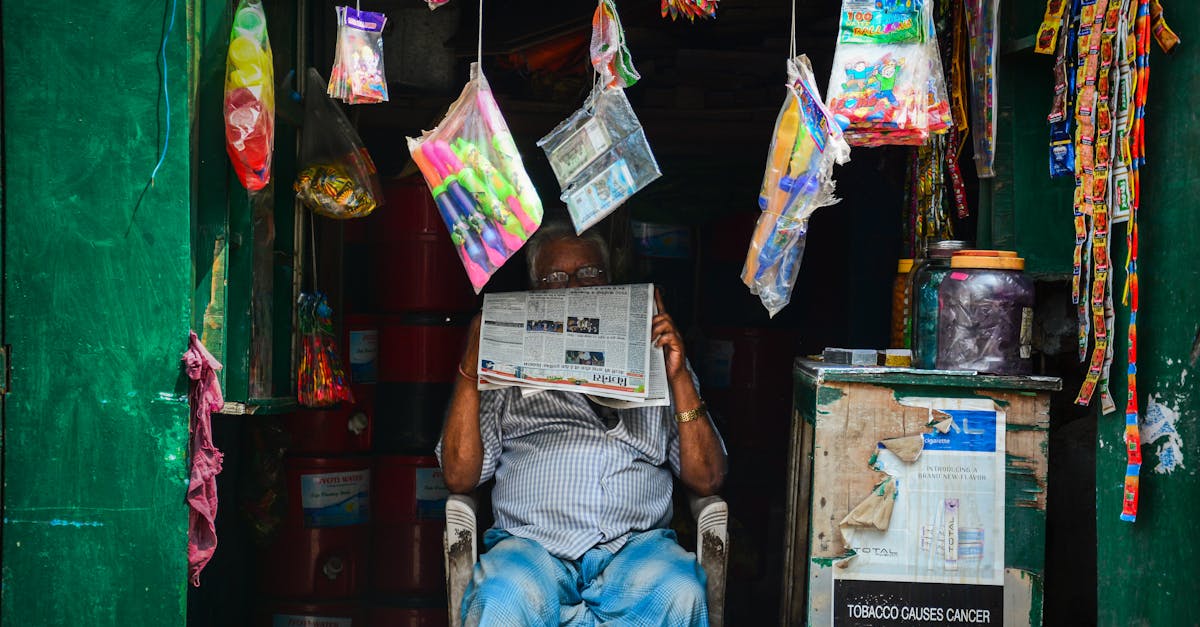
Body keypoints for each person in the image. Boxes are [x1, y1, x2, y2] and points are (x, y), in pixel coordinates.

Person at [437, 220, 727, 626]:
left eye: (589, 273)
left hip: (635, 550)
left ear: (610, 282)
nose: (574, 287)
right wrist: (471, 370)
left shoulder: (659, 355)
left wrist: (678, 376)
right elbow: (459, 476)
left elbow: (708, 478)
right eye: (555, 278)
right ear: (535, 292)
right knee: (500, 600)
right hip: (532, 549)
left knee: (681, 592)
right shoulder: (504, 372)